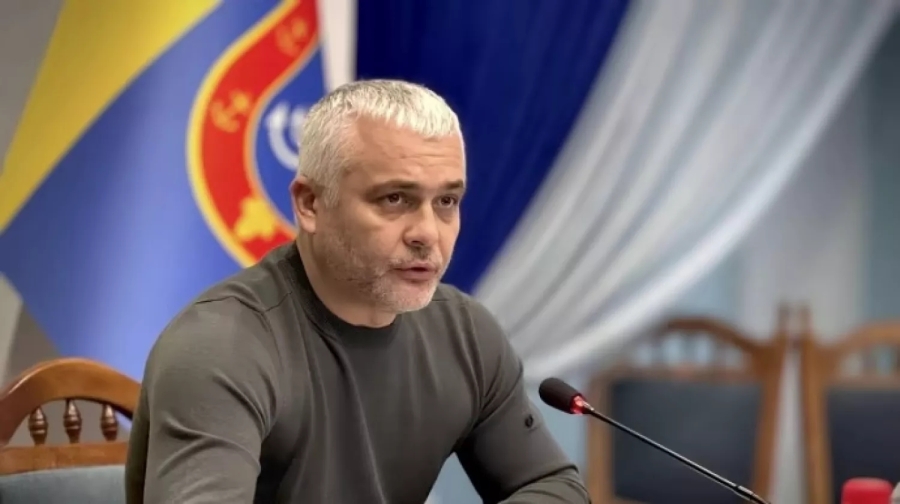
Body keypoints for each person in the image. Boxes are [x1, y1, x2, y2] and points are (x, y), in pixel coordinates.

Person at [124, 79, 590, 503]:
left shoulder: (465, 334)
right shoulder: (222, 346)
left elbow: (554, 487)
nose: (428, 233)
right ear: (310, 204)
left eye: (446, 201)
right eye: (395, 199)